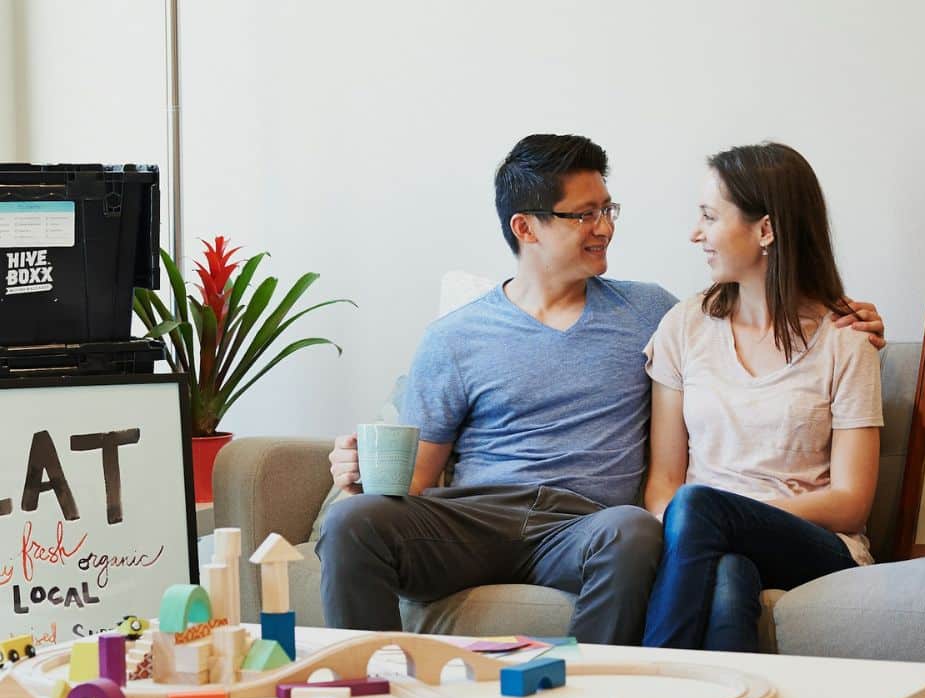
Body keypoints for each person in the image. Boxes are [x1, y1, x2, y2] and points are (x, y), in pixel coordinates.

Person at [318, 134, 886, 646]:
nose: (605, 227)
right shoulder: (455, 337)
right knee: (352, 522)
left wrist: (855, 319)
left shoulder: (651, 312)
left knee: (633, 528)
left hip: (587, 525)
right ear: (526, 227)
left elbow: (761, 316)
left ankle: (593, 693)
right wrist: (354, 471)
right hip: (477, 518)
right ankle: (369, 691)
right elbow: (412, 476)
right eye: (584, 215)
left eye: (607, 210)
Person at [641, 142, 882, 653]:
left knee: (702, 508)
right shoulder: (683, 327)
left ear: (766, 230)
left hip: (817, 545)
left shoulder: (846, 341)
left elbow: (852, 503)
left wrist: (734, 516)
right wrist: (701, 526)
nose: (695, 233)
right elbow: (663, 483)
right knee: (729, 576)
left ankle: (652, 671)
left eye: (709, 216)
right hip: (703, 535)